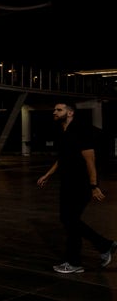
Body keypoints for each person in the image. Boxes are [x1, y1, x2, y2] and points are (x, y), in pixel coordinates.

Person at [37, 102, 117, 274]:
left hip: (80, 185)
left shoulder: (80, 130)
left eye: (59, 110)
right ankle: (104, 246)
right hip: (67, 183)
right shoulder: (63, 131)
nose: (55, 112)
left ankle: (76, 261)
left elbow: (90, 160)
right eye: (54, 109)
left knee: (70, 221)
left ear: (70, 113)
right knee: (69, 221)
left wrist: (94, 186)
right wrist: (48, 174)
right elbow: (63, 158)